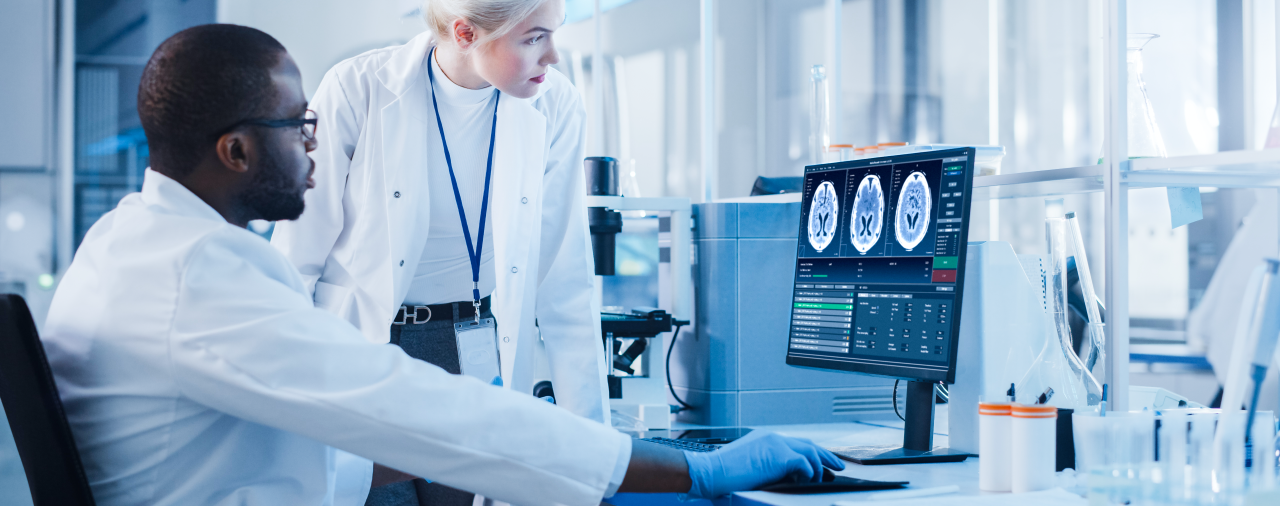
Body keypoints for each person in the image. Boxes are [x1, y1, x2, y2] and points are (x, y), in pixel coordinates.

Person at [42, 24, 844, 506]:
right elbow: (397, 403)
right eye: (299, 127)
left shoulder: (131, 242)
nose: (315, 147)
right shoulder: (201, 276)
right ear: (237, 151)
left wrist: (535, 444)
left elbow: (334, 437)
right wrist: (694, 473)